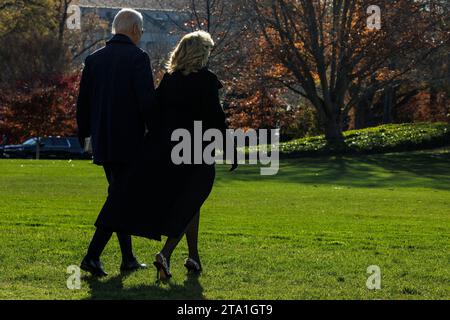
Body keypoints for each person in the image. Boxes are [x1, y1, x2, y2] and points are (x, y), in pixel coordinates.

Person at [96, 31, 238, 281]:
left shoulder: (170, 79)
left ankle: (193, 257)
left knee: (190, 202)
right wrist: (230, 149)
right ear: (201, 52)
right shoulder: (207, 80)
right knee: (192, 200)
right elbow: (217, 119)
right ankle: (165, 253)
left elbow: (155, 111)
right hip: (197, 149)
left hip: (169, 150)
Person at [76, 8, 156, 277]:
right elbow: (147, 102)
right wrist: (155, 132)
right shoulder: (138, 58)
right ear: (134, 30)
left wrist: (84, 133)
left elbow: (83, 102)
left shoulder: (94, 59)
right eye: (141, 30)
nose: (141, 35)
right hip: (130, 142)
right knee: (119, 198)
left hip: (103, 141)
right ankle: (92, 256)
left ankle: (128, 259)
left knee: (119, 196)